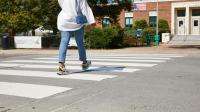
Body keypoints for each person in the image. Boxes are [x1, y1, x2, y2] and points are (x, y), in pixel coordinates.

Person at [57, 0, 95, 75]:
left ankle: (61, 66)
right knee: (80, 43)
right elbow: (85, 8)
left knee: (64, 42)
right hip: (78, 21)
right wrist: (90, 22)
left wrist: (68, 11)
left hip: (65, 20)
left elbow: (61, 4)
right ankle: (84, 63)